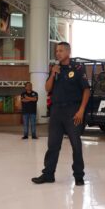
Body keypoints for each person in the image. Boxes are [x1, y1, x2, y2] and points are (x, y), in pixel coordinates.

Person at [32, 42, 90, 186]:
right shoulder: (55, 69)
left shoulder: (77, 67)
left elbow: (86, 90)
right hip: (56, 111)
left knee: (76, 145)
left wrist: (81, 110)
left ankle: (78, 175)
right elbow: (47, 88)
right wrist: (52, 74)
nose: (58, 53)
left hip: (73, 110)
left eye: (61, 50)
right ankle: (48, 174)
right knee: (53, 145)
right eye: (56, 51)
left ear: (68, 52)